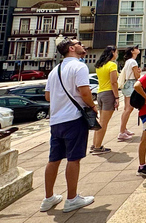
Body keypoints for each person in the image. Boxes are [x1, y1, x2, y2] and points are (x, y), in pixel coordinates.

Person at [40, 37, 95, 213]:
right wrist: (93, 107)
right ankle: (72, 199)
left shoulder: (54, 70)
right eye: (78, 43)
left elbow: (48, 96)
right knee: (74, 158)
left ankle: (48, 198)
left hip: (56, 120)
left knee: (54, 159)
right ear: (71, 48)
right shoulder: (79, 66)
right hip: (74, 118)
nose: (82, 46)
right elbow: (85, 92)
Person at [91, 46, 118, 154]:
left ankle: (94, 144)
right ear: (112, 52)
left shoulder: (100, 65)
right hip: (109, 93)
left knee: (101, 121)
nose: (117, 54)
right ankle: (98, 147)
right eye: (116, 52)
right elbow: (113, 82)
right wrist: (117, 97)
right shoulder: (112, 65)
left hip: (100, 93)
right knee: (104, 123)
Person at [117, 45, 141, 141]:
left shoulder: (128, 61)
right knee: (128, 109)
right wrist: (139, 72)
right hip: (131, 84)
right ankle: (122, 131)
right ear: (132, 51)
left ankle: (124, 129)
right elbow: (137, 76)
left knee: (127, 109)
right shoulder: (133, 62)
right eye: (136, 48)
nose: (138, 49)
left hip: (127, 84)